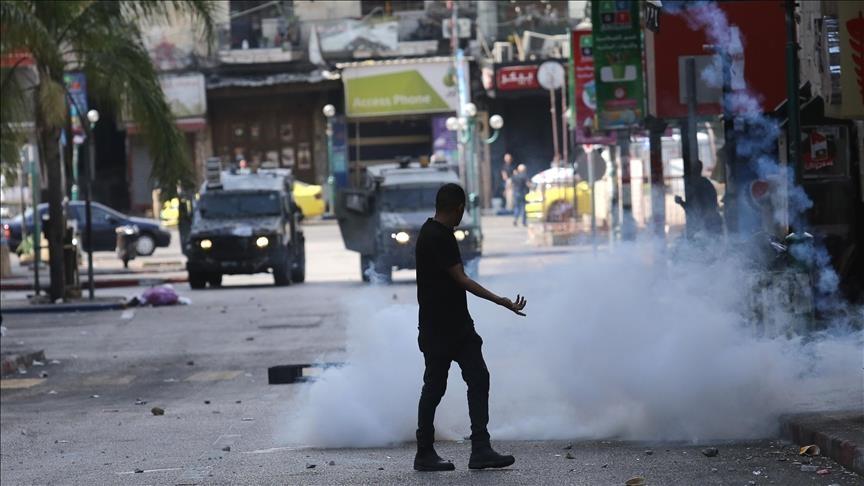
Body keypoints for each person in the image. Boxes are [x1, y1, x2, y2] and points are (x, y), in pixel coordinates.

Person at [414, 183, 527, 472]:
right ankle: (428, 452)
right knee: (437, 387)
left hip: (449, 327)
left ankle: (479, 449)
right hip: (445, 330)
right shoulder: (440, 236)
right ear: (460, 208)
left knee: (473, 379)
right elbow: (461, 279)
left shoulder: (428, 232)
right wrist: (501, 301)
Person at [674, 160, 723, 236]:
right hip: (711, 223)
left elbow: (695, 210)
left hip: (708, 225)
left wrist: (681, 202)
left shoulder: (699, 186)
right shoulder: (706, 183)